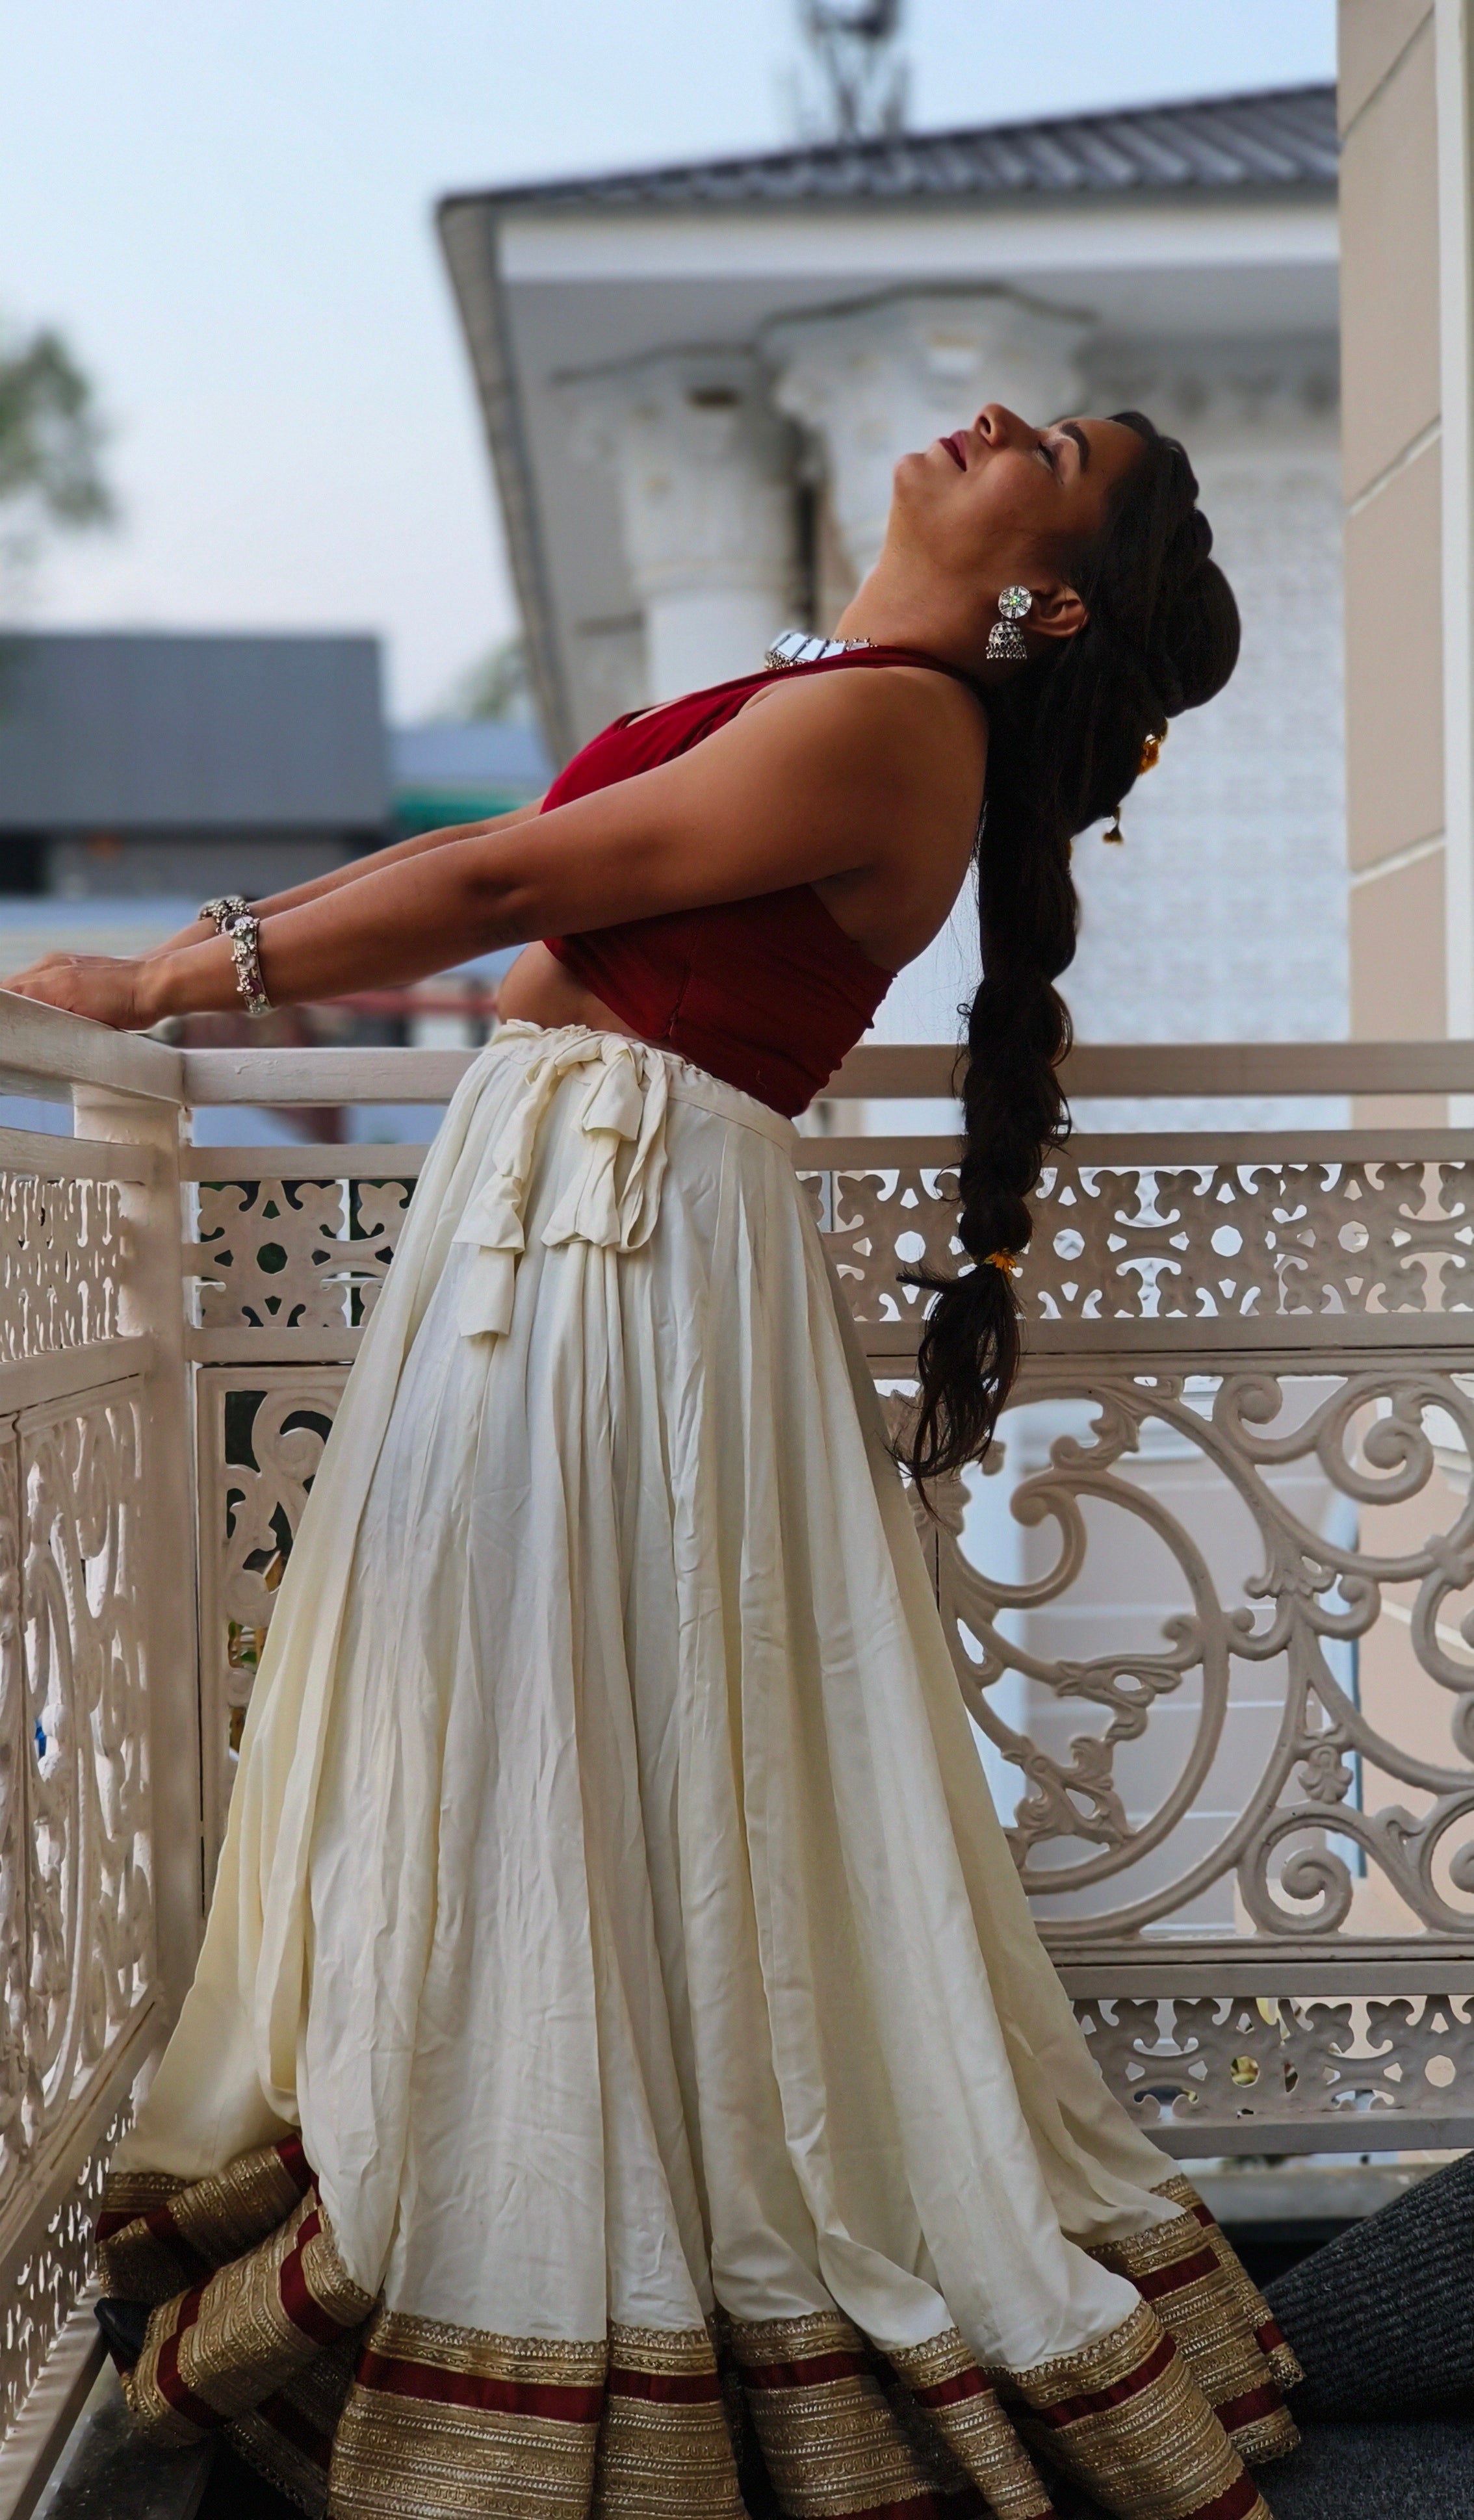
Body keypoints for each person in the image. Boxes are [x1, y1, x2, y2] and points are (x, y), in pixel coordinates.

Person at [5, 405, 1288, 2520]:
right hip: (570, 1200)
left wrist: (152, 972)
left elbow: (521, 880)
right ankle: (533, 2178)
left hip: (613, 1235)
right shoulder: (846, 699)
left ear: (1040, 588)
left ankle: (588, 2269)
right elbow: (514, 890)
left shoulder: (896, 726)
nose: (987, 416)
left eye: (1046, 443)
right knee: (541, 1718)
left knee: (554, 1716)